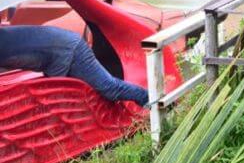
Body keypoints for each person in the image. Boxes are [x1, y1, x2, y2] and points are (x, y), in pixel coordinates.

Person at [0, 25, 149, 106]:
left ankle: (150, 100)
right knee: (50, 102)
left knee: (110, 88)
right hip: (53, 55)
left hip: (70, 49)